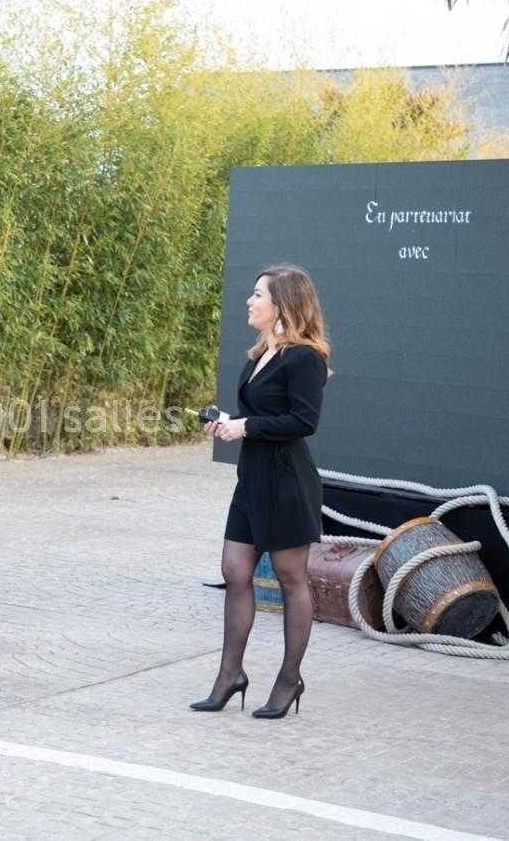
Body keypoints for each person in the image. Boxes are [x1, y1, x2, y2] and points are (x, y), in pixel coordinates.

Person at [191, 263, 329, 719]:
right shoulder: (258, 355)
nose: (249, 302)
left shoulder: (304, 357)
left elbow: (303, 421)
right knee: (234, 571)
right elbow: (265, 415)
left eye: (258, 295)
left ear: (282, 304)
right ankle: (230, 675)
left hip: (287, 482)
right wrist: (229, 423)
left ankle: (289, 681)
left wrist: (245, 426)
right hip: (252, 479)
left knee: (292, 580)